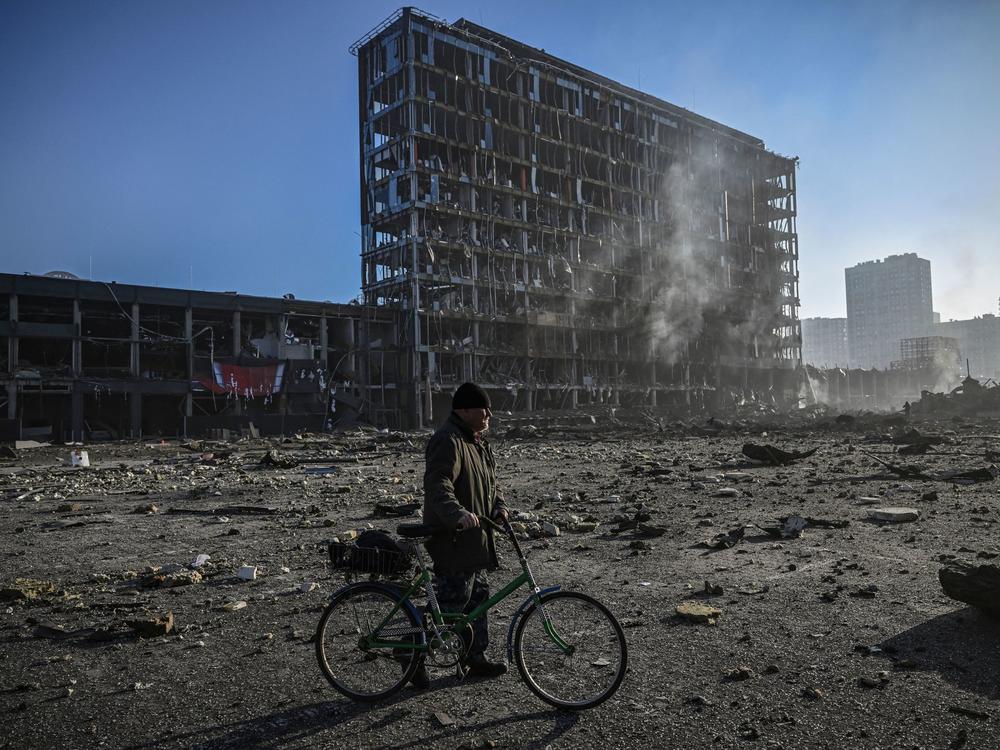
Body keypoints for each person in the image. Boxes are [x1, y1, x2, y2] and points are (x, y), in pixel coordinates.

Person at [413, 382, 509, 688]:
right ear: (464, 410)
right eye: (484, 408)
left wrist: (500, 509)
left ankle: (475, 657)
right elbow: (439, 484)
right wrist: (457, 515)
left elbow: (492, 486)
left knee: (477, 600)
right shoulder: (448, 440)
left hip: (476, 539)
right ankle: (411, 653)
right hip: (452, 538)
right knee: (452, 604)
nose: (489, 414)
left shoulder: (477, 442)